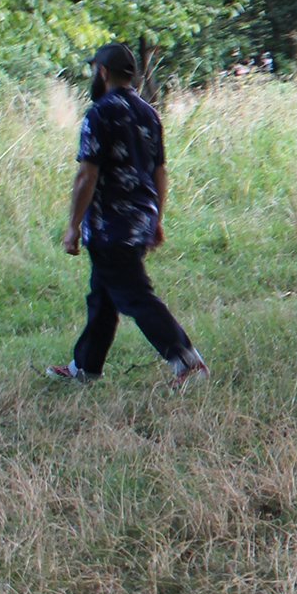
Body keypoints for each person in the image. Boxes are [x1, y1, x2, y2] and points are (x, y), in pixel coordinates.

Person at [46, 43, 209, 384]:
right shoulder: (149, 113)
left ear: (102, 73)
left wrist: (73, 226)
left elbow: (86, 176)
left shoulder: (99, 113)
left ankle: (187, 362)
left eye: (95, 71)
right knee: (103, 296)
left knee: (135, 295)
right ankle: (85, 368)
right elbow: (160, 173)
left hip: (109, 226)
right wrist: (157, 219)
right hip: (139, 220)